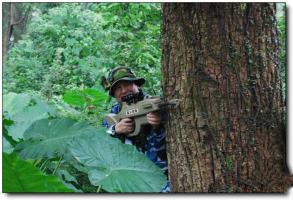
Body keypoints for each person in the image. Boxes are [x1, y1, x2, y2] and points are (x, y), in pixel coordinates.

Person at [101, 66, 170, 192]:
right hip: (132, 180)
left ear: (135, 84)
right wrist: (115, 130)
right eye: (118, 88)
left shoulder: (152, 103)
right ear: (114, 94)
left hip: (163, 178)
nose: (123, 91)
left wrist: (160, 123)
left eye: (127, 84)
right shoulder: (115, 112)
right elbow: (101, 141)